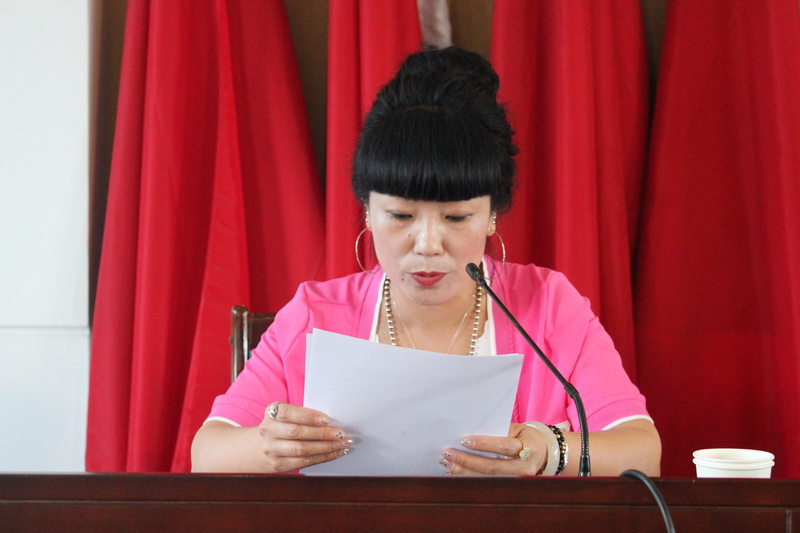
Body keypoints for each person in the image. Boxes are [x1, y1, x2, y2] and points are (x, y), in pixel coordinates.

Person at [191, 46, 661, 476]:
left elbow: (642, 450)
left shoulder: (548, 306)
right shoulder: (315, 316)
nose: (428, 245)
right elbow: (208, 452)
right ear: (367, 211)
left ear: (492, 215)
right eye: (401, 216)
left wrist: (546, 451)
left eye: (456, 217)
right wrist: (270, 447)